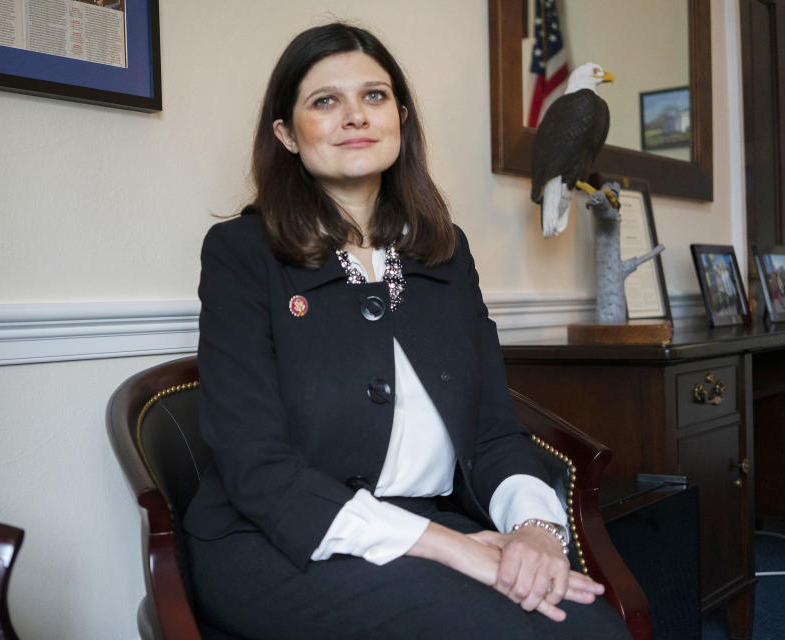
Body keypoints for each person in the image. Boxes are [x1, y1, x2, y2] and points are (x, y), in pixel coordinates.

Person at [183, 22, 631, 640]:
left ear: (401, 116)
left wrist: (536, 531)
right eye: (324, 101)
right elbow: (256, 466)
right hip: (280, 541)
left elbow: (494, 429)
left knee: (586, 626)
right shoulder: (240, 253)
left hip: (430, 524)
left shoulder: (445, 254)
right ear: (286, 133)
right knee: (495, 630)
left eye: (374, 96)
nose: (354, 117)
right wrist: (452, 547)